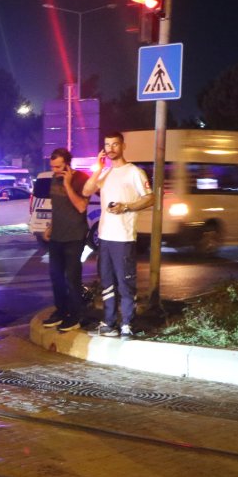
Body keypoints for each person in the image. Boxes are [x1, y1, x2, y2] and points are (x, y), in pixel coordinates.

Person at [82, 131, 153, 338]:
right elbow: (86, 191)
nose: (111, 149)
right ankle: (109, 322)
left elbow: (150, 198)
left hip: (124, 237)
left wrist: (126, 207)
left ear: (123, 146)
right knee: (107, 282)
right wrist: (98, 167)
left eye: (115, 145)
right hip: (104, 237)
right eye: (107, 145)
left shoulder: (134, 172)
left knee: (125, 282)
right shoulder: (104, 174)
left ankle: (127, 324)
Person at [40, 148, 90, 333]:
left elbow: (81, 206)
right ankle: (61, 311)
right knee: (56, 276)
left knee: (72, 277)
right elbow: (57, 206)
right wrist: (51, 227)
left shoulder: (81, 179)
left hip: (74, 236)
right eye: (52, 166)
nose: (55, 170)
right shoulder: (54, 177)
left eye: (58, 166)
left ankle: (76, 315)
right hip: (57, 236)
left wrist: (68, 183)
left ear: (68, 164)